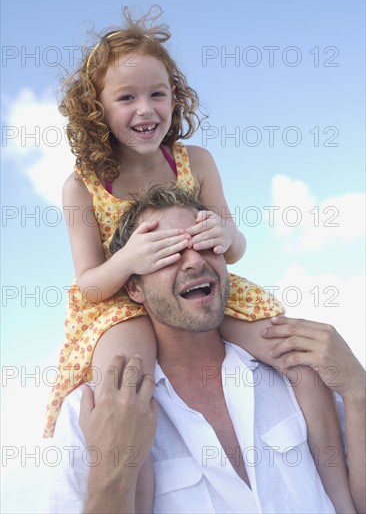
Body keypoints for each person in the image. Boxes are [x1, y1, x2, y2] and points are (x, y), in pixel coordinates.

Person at [43, 6, 347, 510]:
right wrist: (131, 259)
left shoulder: (195, 161)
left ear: (174, 96)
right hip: (120, 302)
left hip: (201, 286)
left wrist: (223, 232)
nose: (146, 109)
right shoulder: (81, 185)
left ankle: (340, 496)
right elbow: (89, 284)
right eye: (126, 98)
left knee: (299, 359)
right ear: (96, 110)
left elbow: (238, 246)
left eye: (157, 94)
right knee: (127, 394)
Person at [48, 185, 365, 514]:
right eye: (167, 252)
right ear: (133, 287)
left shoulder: (295, 367)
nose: (194, 261)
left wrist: (359, 389)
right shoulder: (92, 414)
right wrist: (112, 475)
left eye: (205, 243)